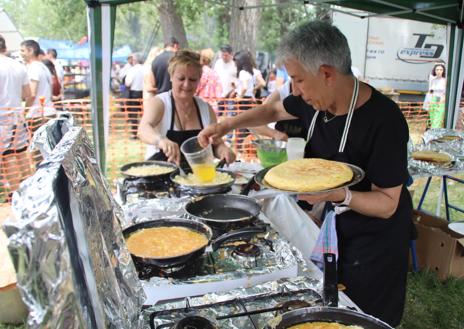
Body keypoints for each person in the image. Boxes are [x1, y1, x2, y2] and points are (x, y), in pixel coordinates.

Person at [198, 20, 412, 327]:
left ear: (326, 73)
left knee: (363, 318)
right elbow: (272, 111)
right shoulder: (316, 101)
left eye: (297, 80)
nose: (294, 90)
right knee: (329, 309)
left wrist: (340, 194)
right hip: (333, 230)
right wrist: (225, 125)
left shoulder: (384, 121)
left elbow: (388, 203)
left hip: (373, 244)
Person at [138, 50, 235, 169]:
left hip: (198, 177)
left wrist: (224, 151)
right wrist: (161, 141)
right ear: (171, 77)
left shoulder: (206, 109)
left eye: (193, 80)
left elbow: (216, 144)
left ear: (199, 80)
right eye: (181, 78)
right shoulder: (159, 103)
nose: (187, 84)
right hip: (161, 174)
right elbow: (143, 129)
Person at [0, 35, 32, 196]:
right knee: (21, 152)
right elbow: (28, 93)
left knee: (7, 156)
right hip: (18, 115)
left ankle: (15, 194)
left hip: (3, 117)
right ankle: (28, 191)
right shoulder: (18, 66)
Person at [125, 53, 145, 138]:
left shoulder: (132, 70)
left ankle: (134, 133)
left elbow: (128, 83)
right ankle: (145, 133)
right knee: (145, 114)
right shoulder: (146, 69)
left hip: (134, 94)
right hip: (144, 94)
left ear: (134, 60)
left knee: (134, 114)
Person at [213, 45, 237, 116]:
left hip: (231, 96)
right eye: (222, 55)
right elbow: (214, 77)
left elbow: (239, 81)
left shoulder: (235, 64)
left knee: (230, 116)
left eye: (226, 55)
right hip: (219, 95)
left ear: (231, 54)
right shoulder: (218, 63)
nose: (224, 57)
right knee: (218, 115)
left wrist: (233, 91)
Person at [424, 63, 447, 128]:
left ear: (443, 71)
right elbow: (430, 91)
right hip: (432, 99)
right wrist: (427, 101)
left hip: (441, 100)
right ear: (435, 71)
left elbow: (445, 93)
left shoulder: (445, 80)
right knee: (432, 118)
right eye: (437, 70)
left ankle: (436, 133)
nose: (439, 71)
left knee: (438, 119)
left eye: (441, 69)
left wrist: (442, 100)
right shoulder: (433, 79)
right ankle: (432, 133)